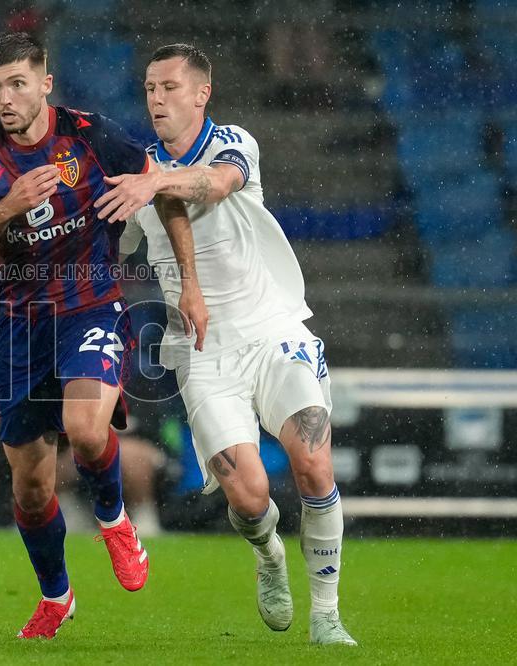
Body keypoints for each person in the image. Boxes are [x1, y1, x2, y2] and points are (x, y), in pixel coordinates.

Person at [95, 43, 357, 646]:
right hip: (202, 352)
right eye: (149, 89)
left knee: (314, 462)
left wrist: (152, 183)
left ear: (201, 93)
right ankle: (268, 555)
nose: (156, 99)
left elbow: (216, 184)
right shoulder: (139, 181)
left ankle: (326, 613)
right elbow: (104, 257)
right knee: (249, 493)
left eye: (168, 87)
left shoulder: (232, 141)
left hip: (273, 331)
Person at [0, 31, 153, 639]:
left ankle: (115, 522)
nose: (5, 98)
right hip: (19, 324)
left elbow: (155, 179)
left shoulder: (90, 135)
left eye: (16, 83)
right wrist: (6, 209)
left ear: (44, 83)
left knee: (87, 430)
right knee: (32, 488)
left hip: (91, 306)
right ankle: (57, 598)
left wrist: (149, 187)